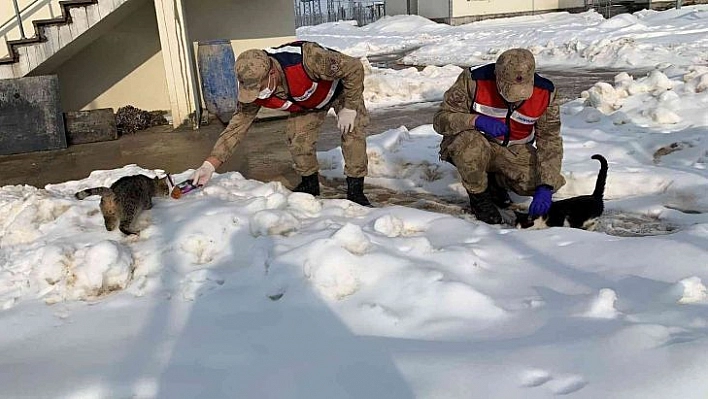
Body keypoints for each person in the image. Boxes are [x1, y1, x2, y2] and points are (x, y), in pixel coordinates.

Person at [191, 40, 372, 206]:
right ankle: (310, 185)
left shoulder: (308, 59)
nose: (256, 94)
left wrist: (350, 107)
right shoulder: (253, 89)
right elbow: (236, 128)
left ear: (271, 73)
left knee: (353, 132)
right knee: (297, 139)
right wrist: (209, 165)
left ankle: (356, 190)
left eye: (259, 88)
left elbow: (354, 68)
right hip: (308, 103)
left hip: (341, 91)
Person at [433, 48, 565, 224]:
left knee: (545, 180)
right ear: (498, 76)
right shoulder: (473, 81)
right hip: (475, 144)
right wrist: (475, 121)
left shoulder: (546, 93)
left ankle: (495, 181)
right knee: (470, 146)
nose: (515, 98)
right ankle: (479, 196)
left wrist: (545, 186)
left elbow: (550, 139)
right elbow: (440, 120)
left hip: (512, 151)